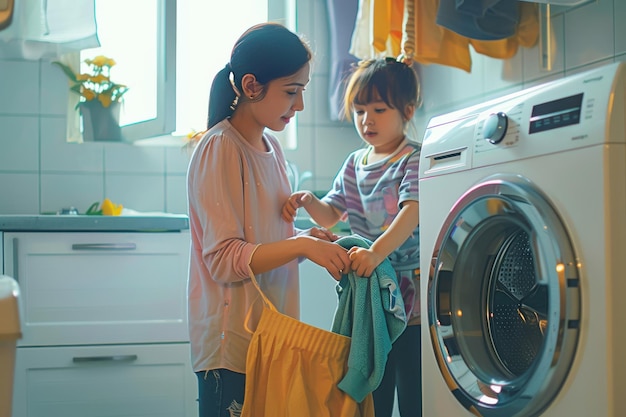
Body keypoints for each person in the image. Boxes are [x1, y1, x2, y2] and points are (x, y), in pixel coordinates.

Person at [187, 22, 351, 417]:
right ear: (251, 86)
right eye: (292, 92)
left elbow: (258, 240)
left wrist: (302, 238)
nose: (299, 106)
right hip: (232, 351)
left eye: (303, 92)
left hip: (270, 339)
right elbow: (225, 259)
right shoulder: (221, 148)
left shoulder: (271, 147)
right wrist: (299, 245)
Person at [282, 57, 422, 417]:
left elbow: (413, 212)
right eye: (359, 111)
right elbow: (333, 212)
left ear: (407, 110)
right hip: (371, 288)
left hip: (412, 296)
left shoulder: (412, 159)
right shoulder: (354, 163)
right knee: (378, 382)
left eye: (378, 109)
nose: (367, 120)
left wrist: (375, 252)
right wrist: (310, 201)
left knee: (414, 386)